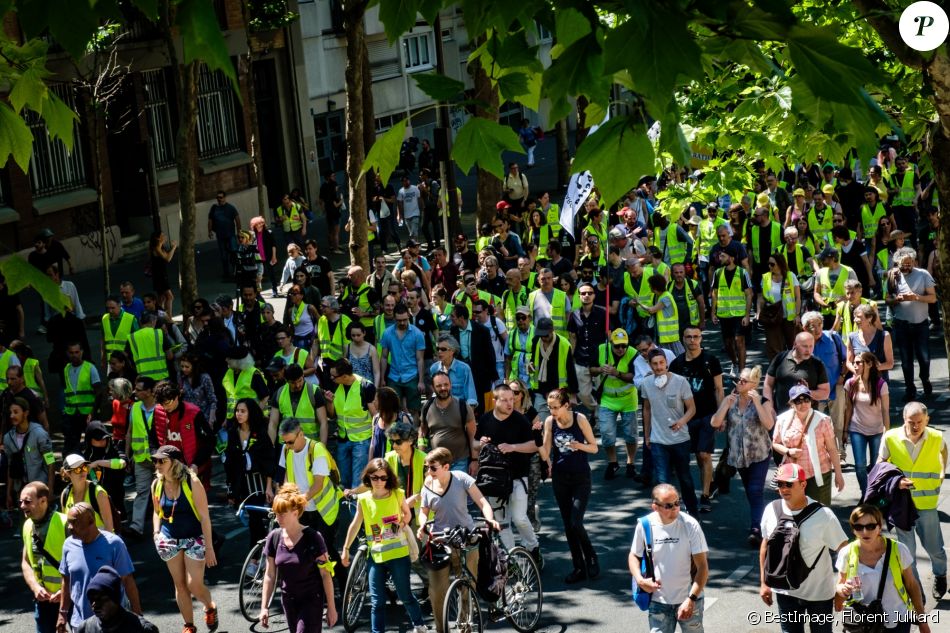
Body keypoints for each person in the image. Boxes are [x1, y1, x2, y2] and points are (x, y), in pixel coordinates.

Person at [416, 447, 499, 633]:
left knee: (467, 586)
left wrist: (490, 519)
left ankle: (465, 625)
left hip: (466, 537)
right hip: (440, 541)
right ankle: (441, 629)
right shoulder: (428, 483)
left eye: (433, 467)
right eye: (427, 467)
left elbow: (483, 502)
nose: (429, 471)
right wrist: (422, 525)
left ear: (446, 467)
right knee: (437, 592)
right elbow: (423, 511)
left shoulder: (461, 478)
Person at [758, 463, 848, 633]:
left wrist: (841, 589)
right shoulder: (771, 510)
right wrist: (764, 583)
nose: (784, 489)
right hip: (785, 593)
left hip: (819, 596)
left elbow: (846, 551)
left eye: (789, 484)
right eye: (780, 484)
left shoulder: (824, 516)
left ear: (803, 484)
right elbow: (765, 547)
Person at [341, 460, 427, 633]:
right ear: (368, 478)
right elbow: (356, 524)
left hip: (398, 555)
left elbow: (407, 514)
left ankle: (419, 625)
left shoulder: (397, 494)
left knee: (405, 596)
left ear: (388, 478)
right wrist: (345, 548)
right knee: (377, 601)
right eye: (374, 477)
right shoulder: (364, 499)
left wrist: (401, 525)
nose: (379, 481)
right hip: (375, 556)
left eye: (383, 477)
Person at [877, 401, 948, 600]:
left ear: (927, 420)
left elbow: (944, 451)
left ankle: (940, 574)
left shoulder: (936, 436)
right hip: (901, 505)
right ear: (904, 420)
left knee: (934, 548)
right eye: (911, 422)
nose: (915, 426)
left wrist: (943, 470)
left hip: (927, 503)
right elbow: (879, 466)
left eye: (919, 422)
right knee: (907, 553)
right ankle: (917, 593)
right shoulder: (890, 438)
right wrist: (895, 481)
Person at [150, 445, 218, 633]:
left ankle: (209, 606)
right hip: (169, 537)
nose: (157, 464)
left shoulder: (191, 482)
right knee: (179, 584)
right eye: (155, 461)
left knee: (193, 584)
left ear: (175, 462)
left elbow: (204, 517)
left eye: (162, 461)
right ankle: (189, 625)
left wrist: (210, 547)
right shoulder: (157, 484)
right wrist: (156, 533)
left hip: (193, 537)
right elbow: (157, 512)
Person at [835, 504, 931, 633]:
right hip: (862, 623)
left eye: (870, 526)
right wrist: (841, 590)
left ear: (879, 527)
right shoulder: (846, 553)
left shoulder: (898, 549)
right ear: (853, 530)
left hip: (897, 620)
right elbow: (839, 600)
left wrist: (922, 621)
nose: (865, 532)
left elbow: (911, 585)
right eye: (859, 527)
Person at [629, 484, 710, 633]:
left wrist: (691, 599)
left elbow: (703, 567)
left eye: (677, 503)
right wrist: (640, 580)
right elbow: (634, 555)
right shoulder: (645, 525)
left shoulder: (690, 525)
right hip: (658, 601)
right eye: (669, 505)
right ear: (655, 507)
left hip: (689, 598)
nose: (675, 508)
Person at [537, 388, 599, 583]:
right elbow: (546, 454)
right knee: (567, 525)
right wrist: (537, 439)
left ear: (566, 405)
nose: (552, 412)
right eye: (549, 408)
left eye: (555, 408)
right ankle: (578, 567)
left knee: (576, 522)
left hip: (581, 477)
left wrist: (579, 446)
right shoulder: (549, 422)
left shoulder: (579, 419)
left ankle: (591, 556)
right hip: (560, 477)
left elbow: (594, 447)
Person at [475, 383, 541, 562]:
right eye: (504, 400)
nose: (510, 404)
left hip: (518, 476)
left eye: (512, 399)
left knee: (519, 518)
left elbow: (534, 445)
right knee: (502, 523)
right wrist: (480, 443)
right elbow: (473, 445)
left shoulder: (520, 420)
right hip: (494, 479)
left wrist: (513, 447)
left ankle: (532, 546)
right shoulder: (486, 419)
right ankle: (513, 560)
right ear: (494, 400)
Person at [259, 483, 338, 632]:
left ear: (295, 513)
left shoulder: (313, 538)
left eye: (283, 513)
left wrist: (331, 608)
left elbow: (325, 574)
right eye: (276, 513)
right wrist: (264, 607)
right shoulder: (274, 538)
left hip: (311, 599)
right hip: (289, 601)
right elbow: (269, 575)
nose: (278, 518)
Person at [711, 365, 774, 545]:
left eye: (744, 381)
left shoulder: (763, 401)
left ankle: (756, 529)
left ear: (753, 384)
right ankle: (760, 520)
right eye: (738, 380)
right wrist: (725, 405)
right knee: (750, 491)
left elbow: (769, 425)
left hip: (759, 454)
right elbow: (715, 422)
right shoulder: (731, 400)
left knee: (755, 490)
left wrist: (756, 403)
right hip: (738, 456)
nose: (739, 382)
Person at [57, 503, 140, 632]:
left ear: (91, 521)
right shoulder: (68, 545)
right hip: (80, 623)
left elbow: (128, 580)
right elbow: (66, 581)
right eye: (68, 523)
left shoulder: (114, 544)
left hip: (113, 624)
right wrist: (62, 613)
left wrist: (137, 614)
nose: (69, 527)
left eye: (74, 523)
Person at [670, 326, 725, 512]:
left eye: (696, 337)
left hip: (707, 415)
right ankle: (707, 485)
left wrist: (721, 414)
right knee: (690, 458)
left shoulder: (711, 361)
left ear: (701, 338)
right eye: (689, 337)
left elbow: (719, 389)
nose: (692, 340)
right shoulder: (677, 364)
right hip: (686, 417)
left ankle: (705, 495)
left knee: (704, 454)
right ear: (683, 339)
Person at [641, 349, 699, 515]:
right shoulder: (646, 384)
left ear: (666, 362)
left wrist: (681, 422)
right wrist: (647, 435)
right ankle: (666, 516)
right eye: (655, 364)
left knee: (685, 479)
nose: (659, 367)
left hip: (680, 440)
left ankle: (693, 513)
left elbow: (692, 409)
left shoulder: (680, 382)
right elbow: (646, 409)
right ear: (650, 365)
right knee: (662, 482)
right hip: (659, 441)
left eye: (661, 363)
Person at [772, 385, 844, 506]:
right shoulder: (782, 420)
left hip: (819, 475)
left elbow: (832, 449)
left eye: (806, 400)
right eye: (798, 401)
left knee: (819, 513)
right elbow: (775, 443)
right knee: (795, 511)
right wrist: (788, 451)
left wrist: (838, 474)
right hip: (793, 477)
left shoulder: (823, 420)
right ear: (792, 403)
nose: (803, 404)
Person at [884, 247, 936, 401]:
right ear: (897, 263)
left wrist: (916, 298)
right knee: (906, 361)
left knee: (924, 358)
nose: (906, 266)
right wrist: (897, 299)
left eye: (909, 263)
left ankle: (925, 379)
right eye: (903, 264)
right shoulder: (893, 275)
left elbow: (933, 298)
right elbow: (887, 299)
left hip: (920, 324)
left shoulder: (923, 274)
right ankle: (910, 389)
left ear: (914, 262)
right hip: (901, 324)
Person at [590, 328, 639, 481]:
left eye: (623, 346)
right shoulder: (601, 349)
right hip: (607, 399)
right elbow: (591, 370)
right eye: (617, 346)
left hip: (628, 399)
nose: (620, 349)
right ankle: (613, 462)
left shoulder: (633, 353)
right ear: (611, 343)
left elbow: (634, 377)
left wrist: (616, 373)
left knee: (631, 436)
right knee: (606, 434)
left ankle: (630, 463)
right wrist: (600, 369)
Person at [19, 481, 68, 633]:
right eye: (20, 502)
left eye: (27, 502)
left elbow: (81, 562)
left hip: (69, 600)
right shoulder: (27, 525)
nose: (22, 506)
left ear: (43, 501)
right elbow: (26, 563)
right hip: (43, 602)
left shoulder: (65, 523)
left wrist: (65, 592)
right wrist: (35, 587)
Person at [326, 358, 378, 489]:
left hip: (362, 440)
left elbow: (375, 416)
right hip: (343, 439)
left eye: (333, 376)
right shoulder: (336, 385)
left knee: (357, 482)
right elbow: (332, 416)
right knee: (343, 481)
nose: (331, 378)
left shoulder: (366, 386)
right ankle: (345, 506)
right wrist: (330, 402)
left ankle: (355, 507)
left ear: (344, 376)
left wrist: (376, 439)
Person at [843, 352, 889, 497]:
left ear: (869, 364)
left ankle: (875, 493)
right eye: (854, 363)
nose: (855, 366)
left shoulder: (881, 384)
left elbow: (885, 411)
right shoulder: (850, 383)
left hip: (876, 430)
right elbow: (848, 408)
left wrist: (887, 433)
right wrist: (844, 431)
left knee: (876, 465)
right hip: (857, 429)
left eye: (859, 363)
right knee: (860, 466)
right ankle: (866, 494)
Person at [124, 377, 164, 540]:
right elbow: (130, 432)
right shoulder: (135, 408)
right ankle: (136, 527)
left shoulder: (161, 408)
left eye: (139, 389)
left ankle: (163, 526)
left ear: (149, 392)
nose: (135, 392)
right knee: (141, 492)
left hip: (159, 460)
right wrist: (127, 455)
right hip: (140, 458)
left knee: (162, 493)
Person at [763, 332, 831, 420]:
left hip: (806, 419)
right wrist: (769, 407)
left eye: (811, 346)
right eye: (805, 346)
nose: (808, 350)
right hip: (780, 416)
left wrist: (807, 392)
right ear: (795, 344)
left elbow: (825, 392)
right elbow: (768, 384)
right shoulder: (781, 358)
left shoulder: (817, 364)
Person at [421, 370, 477, 473]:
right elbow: (422, 432)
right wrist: (421, 454)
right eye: (439, 386)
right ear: (433, 388)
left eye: (446, 384)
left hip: (460, 462)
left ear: (450, 385)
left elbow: (472, 436)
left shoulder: (463, 406)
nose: (443, 388)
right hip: (436, 463)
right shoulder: (427, 407)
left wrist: (474, 460)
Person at [74, 565, 159, 633]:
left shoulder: (143, 629)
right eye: (91, 599)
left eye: (101, 599)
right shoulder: (84, 629)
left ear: (115, 599)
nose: (94, 605)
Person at [710, 242, 753, 375]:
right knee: (728, 344)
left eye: (723, 256)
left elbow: (749, 294)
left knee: (739, 341)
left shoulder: (742, 273)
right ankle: (734, 363)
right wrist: (713, 313)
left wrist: (747, 315)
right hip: (724, 314)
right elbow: (714, 294)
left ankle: (742, 373)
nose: (720, 259)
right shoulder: (718, 273)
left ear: (732, 258)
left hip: (739, 314)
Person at [4, 398, 55, 504]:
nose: (12, 416)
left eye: (16, 412)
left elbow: (51, 462)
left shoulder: (39, 434)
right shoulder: (8, 438)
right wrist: (9, 493)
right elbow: (10, 466)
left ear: (26, 413)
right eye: (10, 413)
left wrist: (50, 489)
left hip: (39, 489)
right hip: (21, 491)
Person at [380, 304, 427, 419]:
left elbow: (420, 359)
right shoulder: (387, 333)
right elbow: (384, 357)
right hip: (394, 376)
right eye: (399, 320)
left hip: (412, 375)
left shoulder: (417, 334)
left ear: (409, 317)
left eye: (405, 320)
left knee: (415, 409)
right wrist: (382, 378)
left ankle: (415, 434)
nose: (402, 323)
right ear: (394, 319)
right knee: (393, 408)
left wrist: (421, 381)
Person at [81, 421, 127, 528]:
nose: (102, 441)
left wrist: (97, 463)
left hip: (115, 497)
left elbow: (123, 463)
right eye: (98, 439)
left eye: (104, 438)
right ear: (90, 440)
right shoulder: (85, 454)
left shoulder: (115, 448)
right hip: (94, 499)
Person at [61, 342, 103, 456]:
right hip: (71, 413)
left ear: (82, 352)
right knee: (71, 444)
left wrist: (93, 412)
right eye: (71, 353)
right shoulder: (66, 369)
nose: (74, 355)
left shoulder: (90, 368)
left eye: (77, 352)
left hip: (87, 413)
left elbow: (99, 392)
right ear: (67, 353)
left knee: (93, 442)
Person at [269, 363, 329, 444]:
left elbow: (323, 422)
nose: (297, 385)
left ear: (303, 376)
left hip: (309, 444)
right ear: (286, 381)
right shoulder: (279, 393)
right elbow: (273, 423)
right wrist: (271, 446)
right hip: (287, 445)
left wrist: (322, 447)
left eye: (300, 380)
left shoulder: (314, 392)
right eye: (293, 383)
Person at [757, 251, 801, 360]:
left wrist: (797, 315)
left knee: (793, 345)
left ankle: (794, 368)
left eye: (772, 264)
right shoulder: (766, 277)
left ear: (780, 264)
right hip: (773, 317)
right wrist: (758, 312)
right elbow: (761, 297)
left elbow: (798, 297)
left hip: (789, 318)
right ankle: (777, 371)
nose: (770, 266)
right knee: (774, 346)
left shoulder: (791, 276)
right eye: (769, 264)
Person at [59, 455, 114, 532]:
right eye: (77, 469)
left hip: (100, 542)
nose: (82, 471)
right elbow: (67, 526)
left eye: (84, 467)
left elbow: (109, 528)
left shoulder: (99, 493)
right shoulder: (65, 494)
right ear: (68, 473)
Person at [208, 191, 241, 278]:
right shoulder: (214, 208)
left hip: (231, 235)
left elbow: (237, 219)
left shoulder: (230, 208)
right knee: (223, 255)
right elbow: (210, 220)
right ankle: (226, 273)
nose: (219, 199)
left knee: (234, 252)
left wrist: (239, 232)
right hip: (220, 236)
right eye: (218, 198)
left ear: (225, 198)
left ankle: (236, 270)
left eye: (221, 197)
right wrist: (210, 231)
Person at [148, 231, 177, 314]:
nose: (164, 237)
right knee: (170, 297)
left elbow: (168, 258)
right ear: (158, 238)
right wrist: (174, 248)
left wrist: (172, 249)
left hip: (161, 275)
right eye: (162, 235)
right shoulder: (156, 249)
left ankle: (160, 317)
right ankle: (169, 318)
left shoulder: (161, 248)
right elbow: (167, 259)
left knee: (161, 299)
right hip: (159, 276)